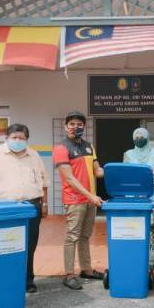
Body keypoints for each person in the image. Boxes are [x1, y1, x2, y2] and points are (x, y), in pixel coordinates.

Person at [0, 123, 49, 293]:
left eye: (22, 138)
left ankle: (28, 281)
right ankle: (3, 280)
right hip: (2, 209)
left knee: (29, 245)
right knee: (4, 245)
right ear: (6, 138)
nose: (18, 140)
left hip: (31, 207)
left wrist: (44, 204)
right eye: (14, 137)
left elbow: (44, 182)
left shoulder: (34, 155)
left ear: (27, 140)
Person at [53, 111, 105, 290]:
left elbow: (98, 171)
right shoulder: (61, 148)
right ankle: (69, 274)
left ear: (84, 126)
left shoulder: (89, 146)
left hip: (90, 199)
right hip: (75, 199)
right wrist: (90, 196)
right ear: (66, 126)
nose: (76, 127)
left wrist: (121, 169)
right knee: (72, 236)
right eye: (72, 124)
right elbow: (69, 178)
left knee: (85, 236)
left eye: (79, 124)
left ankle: (87, 269)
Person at [123, 127, 154, 269]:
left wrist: (145, 189)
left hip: (152, 196)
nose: (139, 138)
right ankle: (137, 257)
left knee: (152, 230)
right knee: (134, 228)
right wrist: (137, 188)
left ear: (147, 137)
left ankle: (152, 261)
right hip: (133, 197)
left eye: (141, 136)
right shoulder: (128, 154)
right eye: (136, 136)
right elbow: (126, 174)